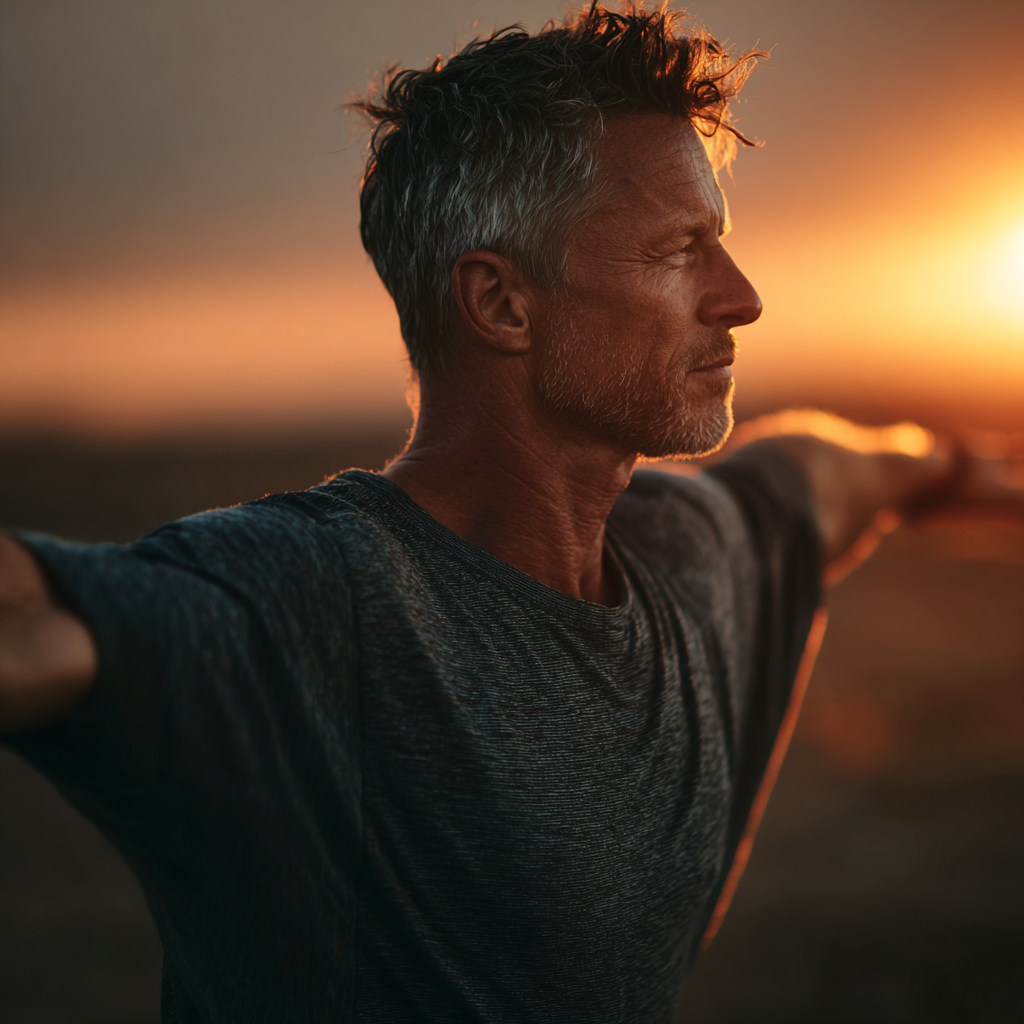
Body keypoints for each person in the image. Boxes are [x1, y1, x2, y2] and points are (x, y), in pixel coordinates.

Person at [0, 5, 1020, 1022]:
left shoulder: (696, 558)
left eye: (722, 244)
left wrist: (956, 464)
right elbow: (33, 624)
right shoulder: (318, 603)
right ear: (501, 304)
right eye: (679, 251)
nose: (742, 296)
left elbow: (825, 472)